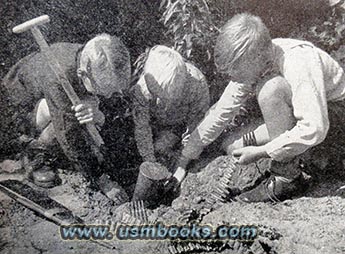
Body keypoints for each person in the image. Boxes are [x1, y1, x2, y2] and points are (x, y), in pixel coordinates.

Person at [168, 13, 345, 202]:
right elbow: (220, 114)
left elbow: (315, 127)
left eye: (236, 73)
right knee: (232, 145)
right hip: (305, 118)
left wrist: (262, 152)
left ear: (255, 57)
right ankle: (297, 156)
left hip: (335, 123)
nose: (234, 80)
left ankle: (287, 176)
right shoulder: (258, 60)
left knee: (270, 88)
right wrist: (183, 162)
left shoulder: (298, 61)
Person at [0, 33, 136, 202]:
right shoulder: (59, 79)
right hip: (17, 116)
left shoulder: (90, 59)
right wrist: (101, 179)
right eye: (105, 89)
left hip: (59, 103)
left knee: (87, 105)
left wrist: (98, 112)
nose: (109, 95)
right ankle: (36, 153)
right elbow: (68, 133)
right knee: (69, 112)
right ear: (83, 74)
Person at [131, 45, 210, 167]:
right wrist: (149, 160)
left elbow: (196, 127)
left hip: (180, 126)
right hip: (156, 127)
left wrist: (183, 157)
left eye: (164, 97)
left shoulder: (197, 84)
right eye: (154, 94)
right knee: (158, 149)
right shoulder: (141, 88)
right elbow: (142, 127)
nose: (158, 102)